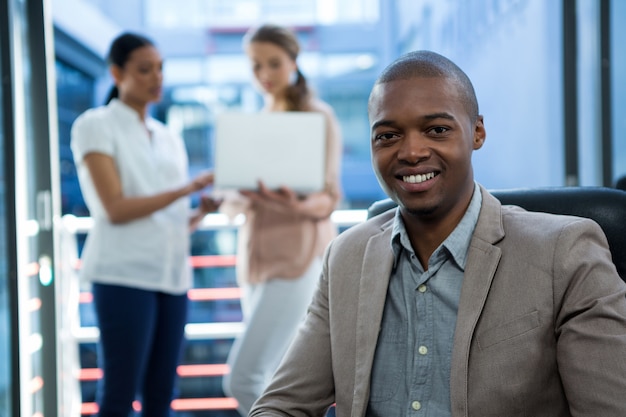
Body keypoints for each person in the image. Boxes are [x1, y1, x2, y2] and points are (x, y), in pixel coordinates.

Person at [249, 50, 626, 417]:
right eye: (388, 136)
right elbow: (282, 404)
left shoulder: (564, 252)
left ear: (477, 132)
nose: (411, 152)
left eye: (437, 130)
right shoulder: (347, 256)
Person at [70, 32, 217, 417]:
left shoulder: (168, 137)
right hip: (123, 275)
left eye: (160, 68)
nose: (157, 77)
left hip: (171, 275)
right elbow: (115, 208)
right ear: (117, 73)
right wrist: (187, 187)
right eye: (144, 69)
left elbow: (168, 221)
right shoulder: (95, 125)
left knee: (161, 396)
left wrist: (200, 211)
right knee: (119, 394)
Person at [218, 24, 343, 416]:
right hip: (255, 261)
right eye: (255, 66)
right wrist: (234, 196)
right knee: (275, 377)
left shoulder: (317, 116)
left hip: (299, 260)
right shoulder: (255, 122)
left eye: (273, 63)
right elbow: (235, 206)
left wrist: (290, 203)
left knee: (242, 378)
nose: (264, 74)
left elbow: (328, 199)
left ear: (293, 61)